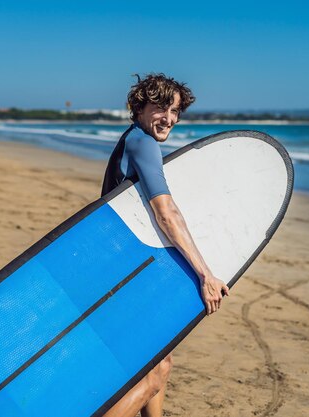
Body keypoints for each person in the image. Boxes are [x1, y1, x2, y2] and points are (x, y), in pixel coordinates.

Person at [102, 74, 229, 417]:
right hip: (128, 278)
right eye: (161, 107)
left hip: (122, 273)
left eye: (175, 112)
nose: (169, 119)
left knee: (161, 366)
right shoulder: (143, 144)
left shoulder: (130, 141)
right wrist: (205, 275)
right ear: (139, 107)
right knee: (148, 380)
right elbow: (166, 212)